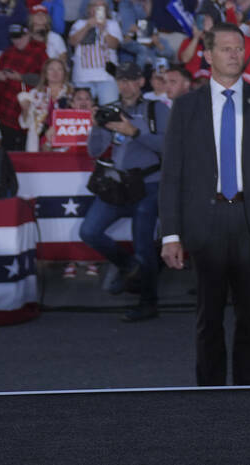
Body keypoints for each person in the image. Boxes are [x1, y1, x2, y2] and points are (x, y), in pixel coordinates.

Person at [158, 22, 250, 385]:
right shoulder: (186, 107)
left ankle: (248, 388)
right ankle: (210, 391)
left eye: (239, 48)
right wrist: (170, 234)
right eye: (226, 49)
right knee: (209, 316)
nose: (235, 55)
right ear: (208, 55)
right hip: (206, 222)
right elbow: (172, 174)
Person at [80, 62, 169, 321]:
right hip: (119, 184)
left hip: (150, 182)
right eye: (121, 80)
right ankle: (130, 267)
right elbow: (94, 151)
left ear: (142, 82)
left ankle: (148, 302)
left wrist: (135, 131)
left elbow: (169, 144)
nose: (126, 85)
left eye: (131, 80)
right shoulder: (113, 110)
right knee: (89, 231)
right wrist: (97, 125)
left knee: (143, 245)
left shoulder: (156, 108)